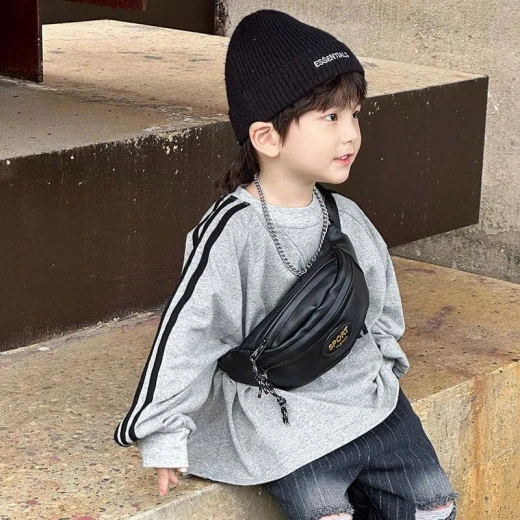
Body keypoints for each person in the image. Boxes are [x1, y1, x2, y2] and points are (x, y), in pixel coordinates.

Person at [114, 9, 458, 520]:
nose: (351, 134)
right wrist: (164, 431)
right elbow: (190, 331)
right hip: (279, 411)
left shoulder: (344, 216)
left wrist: (384, 362)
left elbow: (381, 302)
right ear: (267, 137)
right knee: (323, 510)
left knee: (433, 503)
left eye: (355, 114)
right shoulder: (232, 230)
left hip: (365, 396)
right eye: (330, 117)